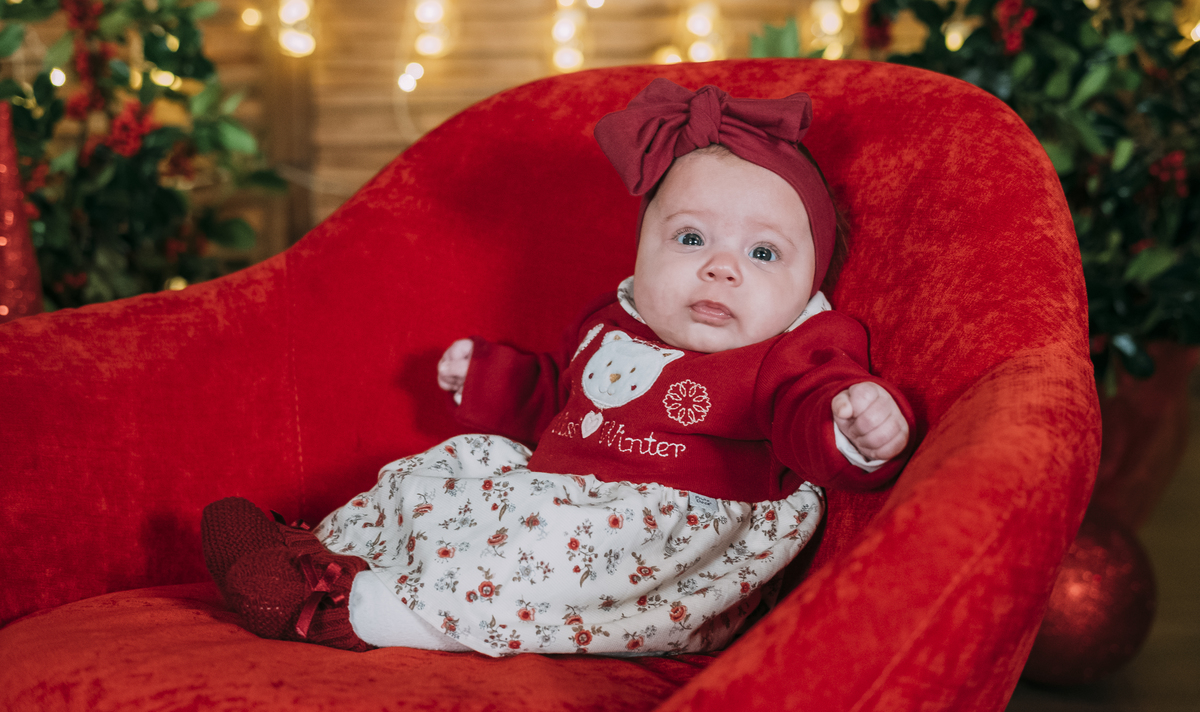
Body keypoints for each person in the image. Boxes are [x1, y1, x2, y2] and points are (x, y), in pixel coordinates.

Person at [202, 78, 916, 657]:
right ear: (642, 251)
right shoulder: (616, 320)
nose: (720, 268)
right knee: (460, 462)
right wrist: (489, 378)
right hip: (562, 489)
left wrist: (853, 424)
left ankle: (358, 612)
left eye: (763, 254)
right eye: (691, 237)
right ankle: (311, 558)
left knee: (542, 550)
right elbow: (559, 397)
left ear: (807, 284)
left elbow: (806, 410)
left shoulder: (794, 349)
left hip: (660, 540)